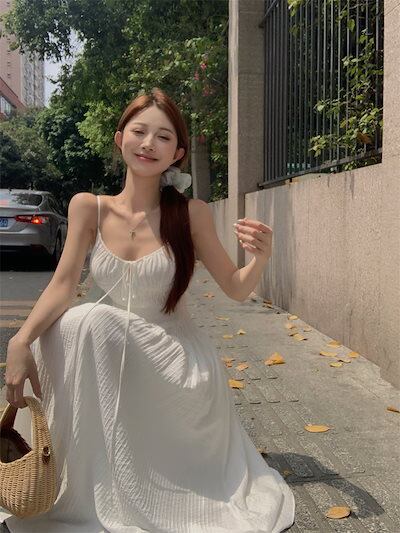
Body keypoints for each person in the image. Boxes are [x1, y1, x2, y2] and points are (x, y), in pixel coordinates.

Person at [1, 88, 295, 532]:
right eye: (139, 132)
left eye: (163, 137)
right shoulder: (89, 208)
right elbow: (62, 286)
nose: (149, 143)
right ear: (120, 138)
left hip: (173, 355)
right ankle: (77, 480)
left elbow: (235, 288)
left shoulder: (191, 214)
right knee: (69, 324)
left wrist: (261, 258)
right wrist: (20, 341)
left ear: (177, 153)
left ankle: (129, 494)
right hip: (109, 351)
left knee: (90, 320)